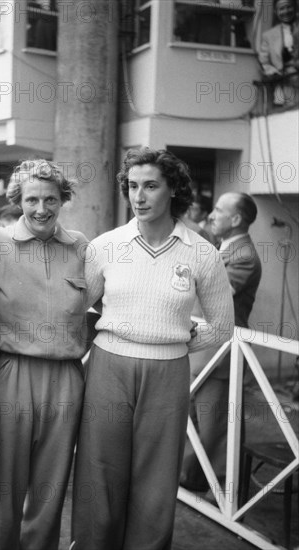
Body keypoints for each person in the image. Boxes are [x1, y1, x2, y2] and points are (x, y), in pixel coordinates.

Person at [71, 148, 234, 550]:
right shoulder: (106, 246)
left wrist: (176, 341)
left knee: (156, 476)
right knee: (100, 469)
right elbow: (79, 309)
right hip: (109, 366)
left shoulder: (201, 252)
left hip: (168, 372)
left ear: (174, 189)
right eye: (132, 186)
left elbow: (222, 325)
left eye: (150, 186)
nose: (138, 196)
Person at [0, 159, 88, 550]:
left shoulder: (80, 246)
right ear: (17, 200)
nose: (41, 209)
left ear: (63, 200)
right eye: (31, 200)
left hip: (66, 377)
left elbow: (107, 301)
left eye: (50, 199)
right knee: (6, 483)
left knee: (51, 486)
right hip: (11, 373)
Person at [181, 192, 262, 492]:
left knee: (215, 426)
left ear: (237, 219)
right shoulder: (222, 248)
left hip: (221, 354)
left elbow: (214, 294)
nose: (211, 215)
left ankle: (221, 491)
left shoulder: (244, 256)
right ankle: (192, 480)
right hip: (203, 350)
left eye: (218, 210)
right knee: (196, 420)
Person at [258, 0, 299, 106]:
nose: (286, 11)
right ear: (276, 12)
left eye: (288, 7)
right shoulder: (268, 36)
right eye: (281, 8)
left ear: (295, 8)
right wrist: (275, 73)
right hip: (287, 82)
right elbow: (264, 62)